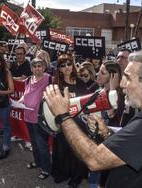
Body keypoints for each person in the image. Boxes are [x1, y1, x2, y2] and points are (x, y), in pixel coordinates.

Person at [44, 49, 142, 188]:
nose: (122, 84)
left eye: (128, 78)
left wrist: (63, 116)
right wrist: (106, 133)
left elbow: (95, 160)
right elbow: (134, 149)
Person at [52, 54, 88, 187]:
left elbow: (86, 102)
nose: (66, 67)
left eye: (68, 64)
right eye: (62, 65)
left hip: (78, 122)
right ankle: (62, 173)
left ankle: (76, 177)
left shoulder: (79, 82)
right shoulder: (56, 84)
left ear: (72, 65)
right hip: (62, 122)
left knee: (77, 151)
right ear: (59, 69)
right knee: (62, 149)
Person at [18, 58, 52, 179]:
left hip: (40, 119)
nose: (37, 68)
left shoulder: (49, 79)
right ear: (31, 68)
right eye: (34, 66)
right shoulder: (28, 80)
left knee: (42, 145)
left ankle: (47, 169)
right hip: (28, 117)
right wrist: (19, 102)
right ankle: (38, 162)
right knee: (34, 143)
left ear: (43, 67)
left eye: (39, 66)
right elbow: (25, 95)